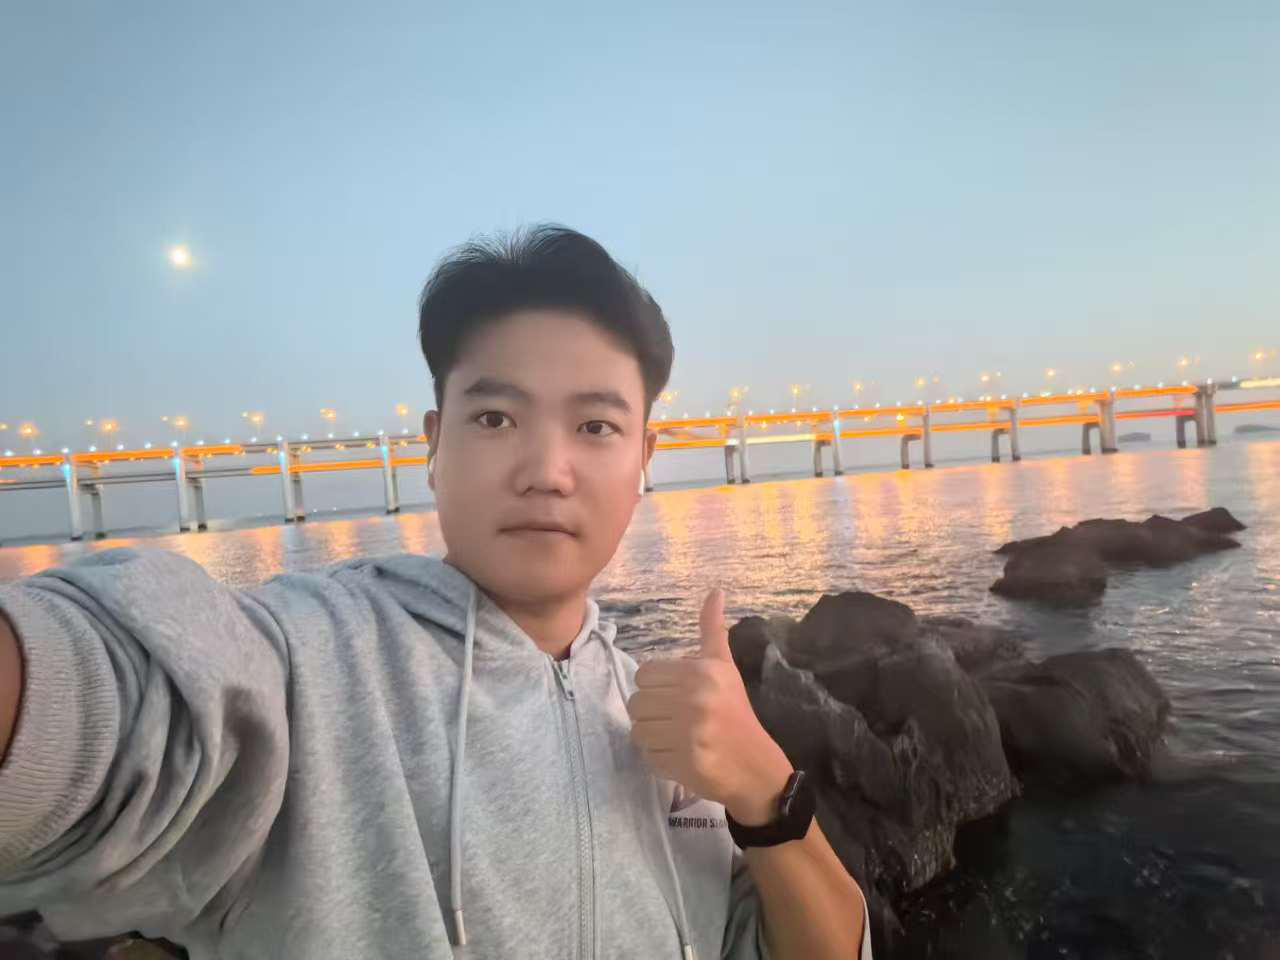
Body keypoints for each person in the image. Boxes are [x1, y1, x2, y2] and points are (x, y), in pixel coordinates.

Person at [0, 225, 872, 959]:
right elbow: (123, 693)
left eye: (596, 426)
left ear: (644, 457)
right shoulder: (310, 666)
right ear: (433, 443)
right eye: (495, 418)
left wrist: (765, 790)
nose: (546, 470)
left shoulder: (667, 725)